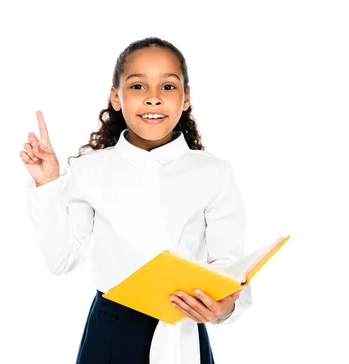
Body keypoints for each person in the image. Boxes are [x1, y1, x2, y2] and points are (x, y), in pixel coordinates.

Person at [20, 37, 252, 364]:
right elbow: (62, 260)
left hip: (183, 331)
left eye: (168, 87)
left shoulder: (213, 173)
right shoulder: (90, 169)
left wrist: (225, 305)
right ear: (116, 97)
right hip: (112, 332)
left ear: (186, 98)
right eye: (138, 86)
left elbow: (228, 265)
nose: (154, 99)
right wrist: (46, 186)